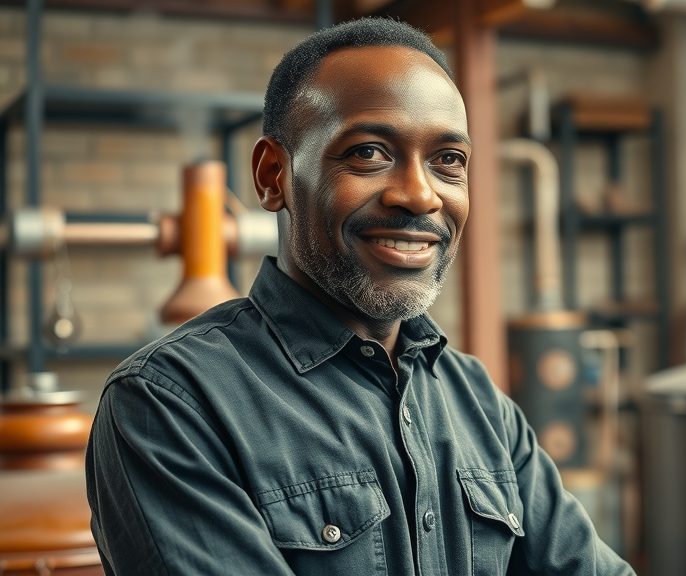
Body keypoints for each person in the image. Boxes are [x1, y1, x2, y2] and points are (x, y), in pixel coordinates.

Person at [86, 17, 636, 576]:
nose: (419, 196)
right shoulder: (170, 406)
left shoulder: (479, 403)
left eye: (448, 160)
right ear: (274, 175)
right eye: (370, 152)